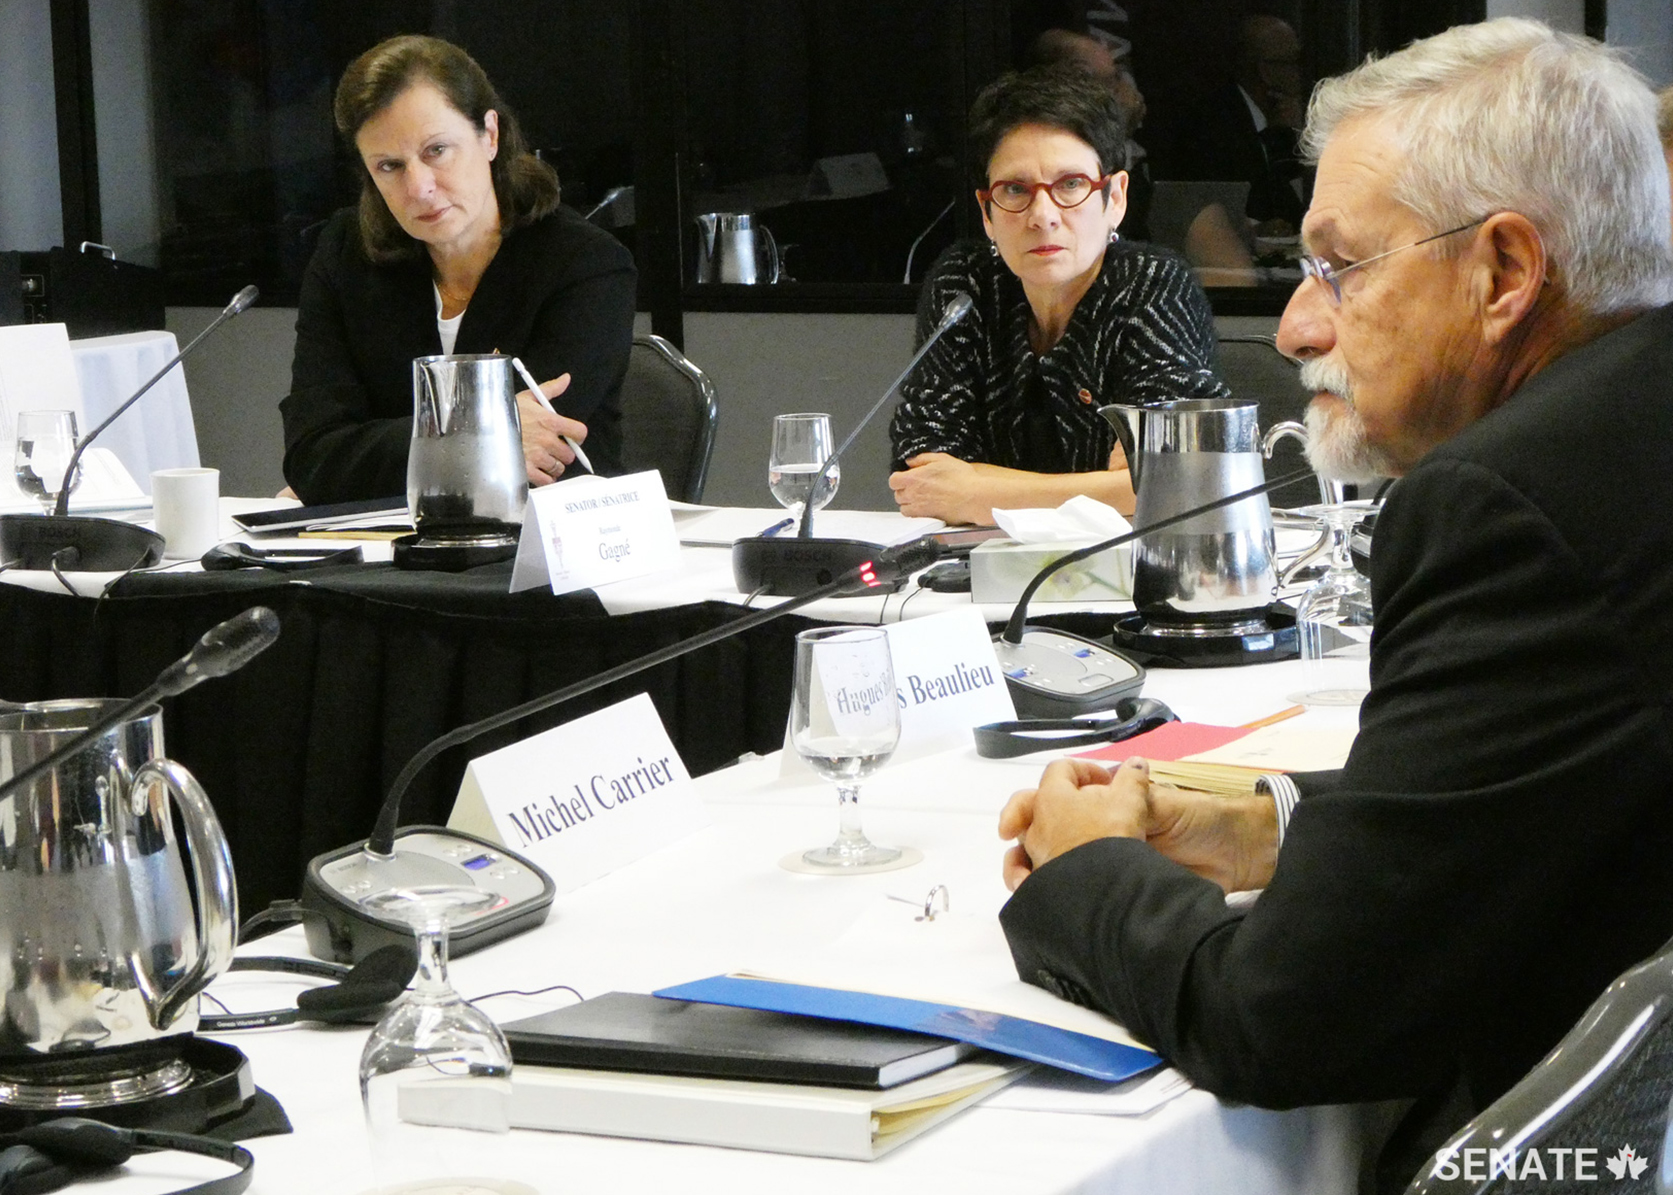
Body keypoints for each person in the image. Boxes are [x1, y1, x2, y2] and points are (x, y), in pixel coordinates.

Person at [996, 18, 1673, 1189]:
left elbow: (1287, 1020)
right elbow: (1558, 793)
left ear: (1502, 271)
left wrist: (1083, 871)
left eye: (1337, 266)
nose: (1301, 326)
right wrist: (1265, 820)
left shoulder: (1506, 504)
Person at [281, 35, 636, 504]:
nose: (419, 187)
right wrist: (485, 437)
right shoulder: (347, 252)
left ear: (490, 135)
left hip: (541, 553)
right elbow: (312, 456)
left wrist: (385, 450)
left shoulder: (585, 265)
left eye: (436, 151)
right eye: (389, 166)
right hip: (380, 553)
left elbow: (542, 456)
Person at [888, 65, 1226, 525]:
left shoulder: (1154, 284)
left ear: (1116, 198)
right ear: (986, 212)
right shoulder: (963, 285)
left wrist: (974, 495)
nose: (1043, 215)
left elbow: (1175, 481)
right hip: (978, 572)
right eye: (1015, 190)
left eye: (1070, 185)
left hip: (1127, 573)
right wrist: (1107, 490)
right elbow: (922, 473)